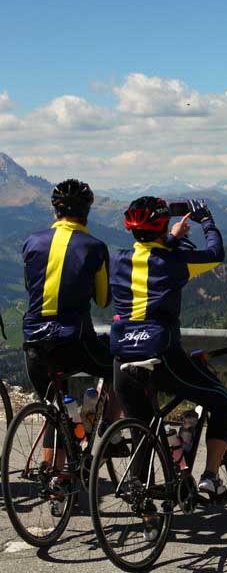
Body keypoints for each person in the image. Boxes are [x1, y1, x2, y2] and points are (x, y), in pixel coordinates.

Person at [109, 196, 227, 499]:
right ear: (162, 224)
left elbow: (150, 256)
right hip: (162, 356)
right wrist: (206, 221)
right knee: (222, 401)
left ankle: (139, 492)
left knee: (141, 424)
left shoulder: (115, 260)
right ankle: (210, 478)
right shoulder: (175, 263)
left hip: (122, 357)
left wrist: (170, 239)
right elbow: (216, 254)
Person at [21, 179, 123, 513]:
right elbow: (105, 299)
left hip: (35, 340)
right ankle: (109, 432)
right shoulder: (93, 247)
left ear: (55, 210)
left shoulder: (31, 243)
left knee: (54, 406)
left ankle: (56, 479)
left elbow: (30, 287)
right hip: (74, 339)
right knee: (120, 365)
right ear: (87, 212)